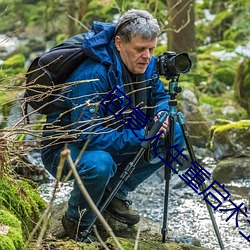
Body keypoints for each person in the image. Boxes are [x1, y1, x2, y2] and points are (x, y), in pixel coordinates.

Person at [41, 9, 185, 241]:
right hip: (66, 149)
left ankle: (115, 193)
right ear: (119, 43)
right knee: (100, 164)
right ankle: (76, 221)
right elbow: (87, 136)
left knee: (174, 133)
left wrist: (161, 114)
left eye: (152, 49)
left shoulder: (145, 64)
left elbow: (159, 96)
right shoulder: (92, 75)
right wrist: (142, 135)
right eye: (140, 49)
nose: (147, 56)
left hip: (116, 134)